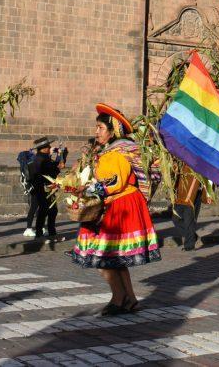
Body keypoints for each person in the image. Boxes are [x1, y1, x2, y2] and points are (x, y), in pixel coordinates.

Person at [72, 106, 160, 315]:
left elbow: (115, 182)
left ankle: (118, 299)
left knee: (102, 256)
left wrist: (88, 187)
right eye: (97, 127)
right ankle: (129, 298)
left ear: (113, 131)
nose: (97, 132)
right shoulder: (110, 151)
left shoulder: (118, 152)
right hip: (116, 203)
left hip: (120, 205)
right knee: (115, 259)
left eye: (101, 127)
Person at [23, 137, 64, 240]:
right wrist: (59, 161)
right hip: (44, 189)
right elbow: (53, 171)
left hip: (44, 189)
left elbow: (53, 166)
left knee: (48, 211)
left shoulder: (41, 158)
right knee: (48, 211)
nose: (50, 147)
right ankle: (45, 232)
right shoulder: (42, 159)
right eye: (48, 146)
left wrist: (59, 157)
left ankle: (45, 231)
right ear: (43, 148)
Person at [172, 161, 207, 251]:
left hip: (191, 196)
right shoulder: (181, 162)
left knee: (188, 221)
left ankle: (189, 245)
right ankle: (193, 237)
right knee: (176, 219)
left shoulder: (198, 163)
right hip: (180, 195)